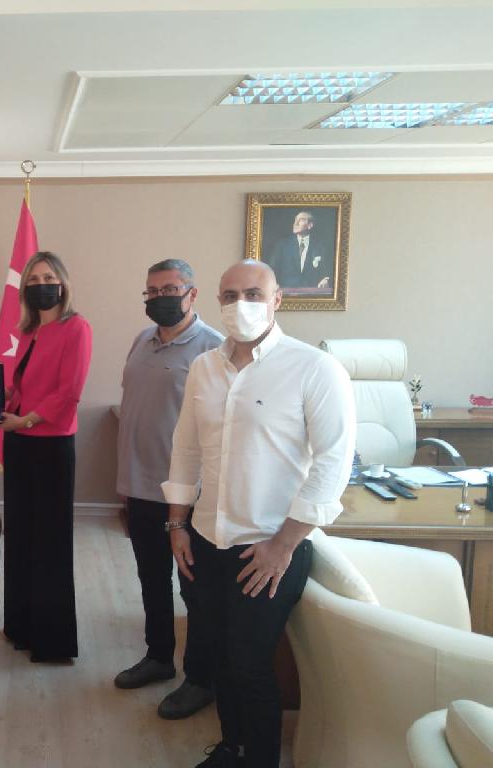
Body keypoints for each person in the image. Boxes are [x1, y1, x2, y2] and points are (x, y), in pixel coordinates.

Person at [163, 260, 355, 768]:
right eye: (229, 295)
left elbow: (333, 463)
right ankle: (233, 748)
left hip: (268, 548)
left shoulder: (314, 369)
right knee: (218, 656)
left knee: (249, 664)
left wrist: (283, 545)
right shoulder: (204, 368)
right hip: (205, 540)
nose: (240, 304)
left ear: (277, 300)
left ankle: (260, 759)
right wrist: (177, 523)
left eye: (252, 293)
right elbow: (185, 450)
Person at [115, 258, 222, 720]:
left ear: (192, 294)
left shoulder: (214, 348)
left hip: (188, 494)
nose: (160, 298)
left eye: (170, 289)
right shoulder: (142, 340)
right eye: (152, 291)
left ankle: (200, 678)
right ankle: (159, 656)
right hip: (141, 486)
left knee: (194, 589)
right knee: (151, 578)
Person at [0, 251, 92, 663]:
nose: (41, 285)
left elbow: (69, 392)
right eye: (33, 279)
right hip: (20, 442)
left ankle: (51, 641)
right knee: (21, 535)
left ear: (63, 284)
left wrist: (25, 420)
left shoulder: (77, 328)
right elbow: (22, 387)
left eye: (48, 277)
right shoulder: (29, 331)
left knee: (49, 542)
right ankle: (21, 627)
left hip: (50, 444)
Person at [266, 211, 331, 290]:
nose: (295, 223)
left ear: (310, 225)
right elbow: (272, 269)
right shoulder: (283, 245)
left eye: (301, 220)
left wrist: (325, 279)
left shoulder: (319, 246)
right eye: (295, 220)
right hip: (286, 292)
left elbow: (326, 270)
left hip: (312, 292)